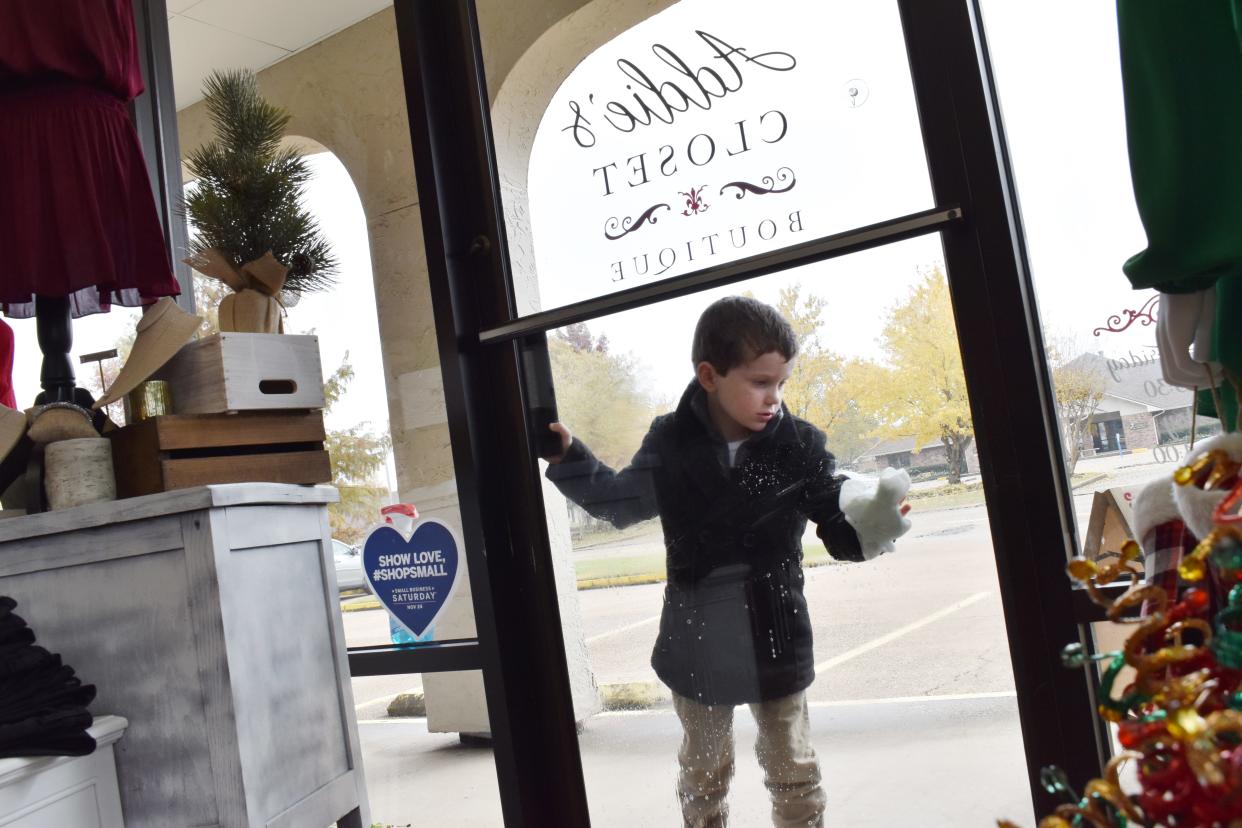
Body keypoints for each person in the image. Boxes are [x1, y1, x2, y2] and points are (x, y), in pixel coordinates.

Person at [544, 296, 912, 827]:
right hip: (697, 636)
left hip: (775, 631)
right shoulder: (671, 440)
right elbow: (622, 503)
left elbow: (834, 519)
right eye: (761, 382)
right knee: (703, 773)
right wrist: (569, 457)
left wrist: (870, 523)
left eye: (782, 383)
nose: (774, 398)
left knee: (794, 769)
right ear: (710, 375)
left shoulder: (799, 445)